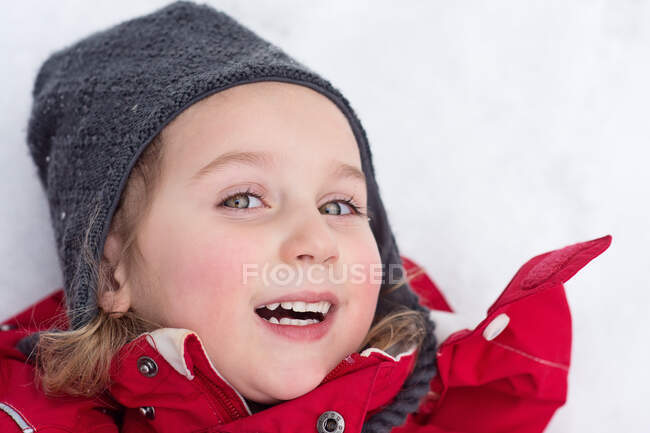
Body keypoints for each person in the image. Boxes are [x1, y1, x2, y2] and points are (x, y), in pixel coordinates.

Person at [0, 2, 612, 432]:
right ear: (110, 274)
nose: (316, 240)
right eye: (243, 199)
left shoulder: (446, 409)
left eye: (341, 206)